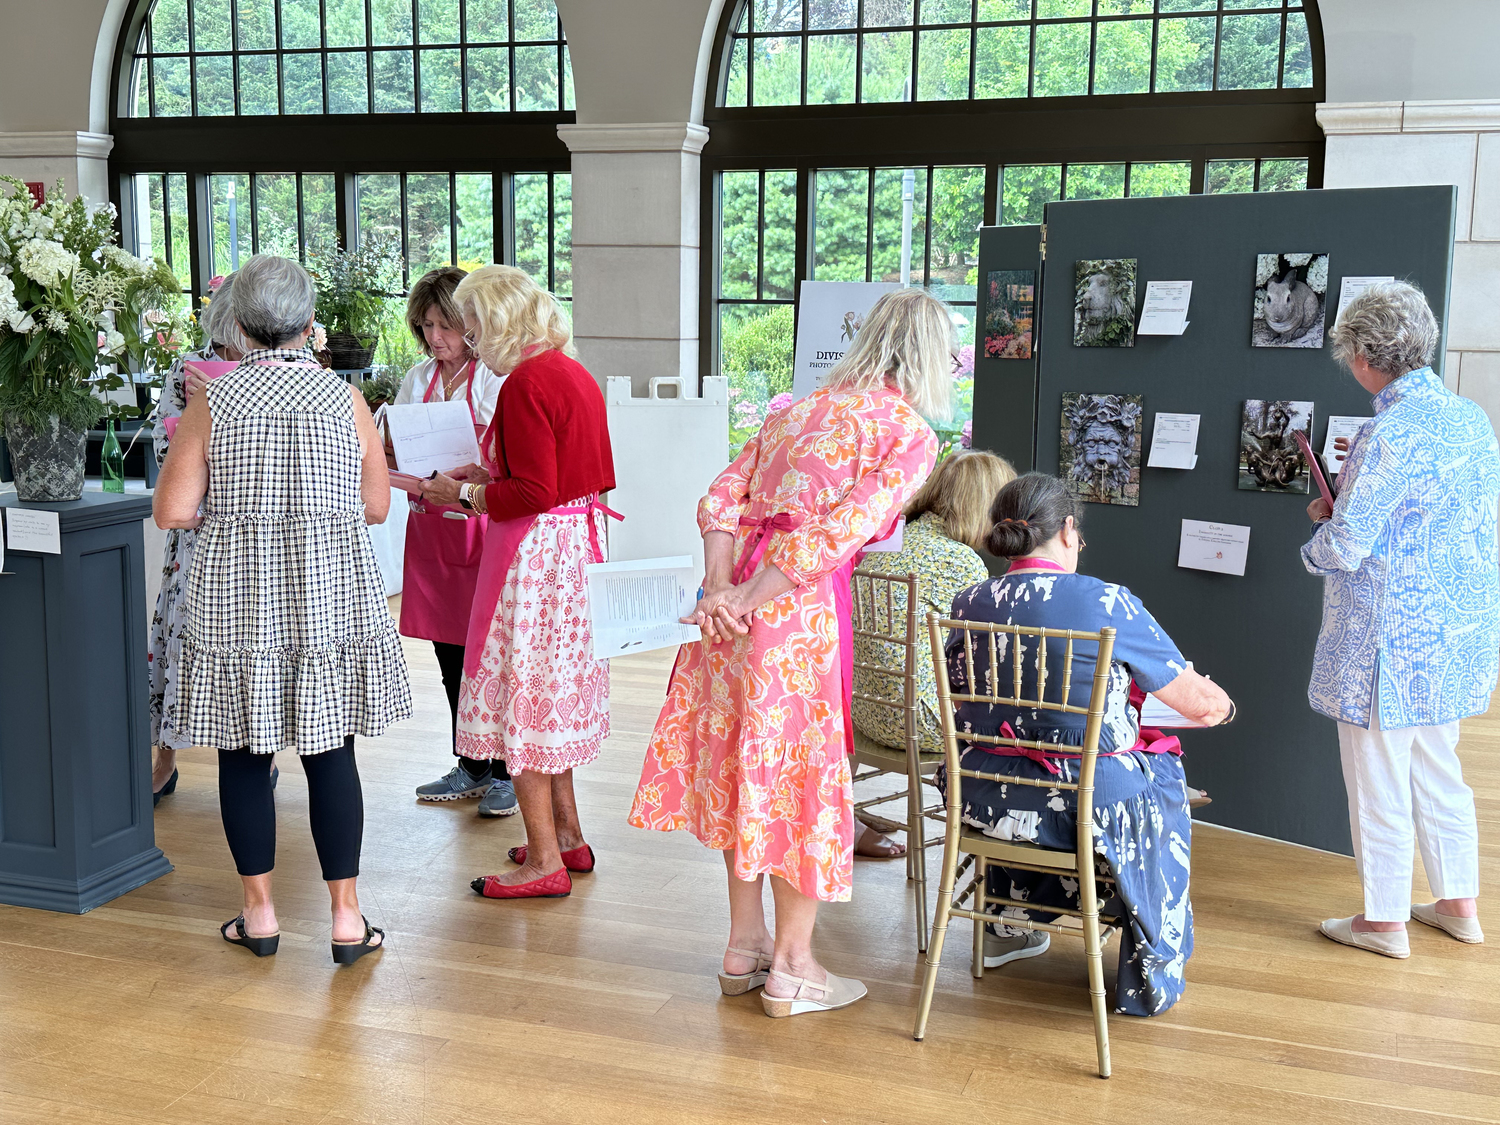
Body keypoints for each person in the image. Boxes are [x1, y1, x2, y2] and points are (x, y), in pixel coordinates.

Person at [629, 288, 946, 1018]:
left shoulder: (794, 410)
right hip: (793, 616)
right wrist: (746, 597)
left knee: (747, 768)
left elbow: (720, 498)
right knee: (799, 777)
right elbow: (837, 534)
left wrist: (720, 588)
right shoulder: (906, 431)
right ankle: (796, 967)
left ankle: (744, 947)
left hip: (736, 607)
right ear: (928, 356)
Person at [153, 254, 412, 964]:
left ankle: (260, 915)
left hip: (239, 595)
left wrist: (242, 509)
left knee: (243, 753)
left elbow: (173, 510)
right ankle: (347, 920)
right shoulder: (343, 399)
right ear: (307, 325)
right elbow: (379, 504)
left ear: (237, 324)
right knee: (332, 753)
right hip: (330, 588)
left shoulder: (217, 400)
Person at [942, 472, 1232, 1016]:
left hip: (981, 796)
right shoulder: (1106, 602)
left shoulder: (967, 601)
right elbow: (1201, 704)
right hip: (1078, 801)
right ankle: (1148, 965)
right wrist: (1224, 702)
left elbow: (962, 697)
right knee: (1160, 777)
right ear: (1069, 531)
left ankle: (1016, 917)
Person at [1305, 281, 1498, 958]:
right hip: (1455, 632)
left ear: (1363, 356)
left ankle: (1384, 919)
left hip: (1389, 641)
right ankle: (1458, 902)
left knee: (1379, 772)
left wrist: (1320, 533)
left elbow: (1350, 547)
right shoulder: (1470, 419)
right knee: (1439, 765)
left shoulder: (1387, 432)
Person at [418, 265, 615, 901]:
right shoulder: (569, 370)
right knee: (551, 696)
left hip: (534, 558)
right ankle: (566, 835)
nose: (468, 337)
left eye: (471, 322)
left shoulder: (525, 382)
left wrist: (465, 491)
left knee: (521, 700)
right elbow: (566, 475)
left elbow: (532, 492)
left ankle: (543, 864)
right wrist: (491, 470)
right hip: (574, 549)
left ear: (497, 320)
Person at [392, 267, 517, 818]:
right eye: (426, 326)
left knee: (492, 651)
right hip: (430, 526)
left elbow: (503, 457)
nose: (435, 337)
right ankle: (469, 762)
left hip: (481, 525)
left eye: (444, 325)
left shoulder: (492, 378)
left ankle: (510, 772)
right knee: (449, 652)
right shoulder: (417, 379)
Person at [849, 448, 1015, 858]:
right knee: (1020, 713)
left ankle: (839, 815)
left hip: (859, 715)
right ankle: (1002, 839)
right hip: (920, 721)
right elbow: (984, 658)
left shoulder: (884, 541)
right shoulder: (961, 562)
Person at [147, 272, 247, 806]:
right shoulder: (186, 369)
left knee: (247, 651)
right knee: (178, 644)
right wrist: (192, 415)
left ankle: (259, 754)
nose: (234, 344)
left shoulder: (271, 369)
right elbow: (166, 460)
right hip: (192, 533)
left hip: (248, 534)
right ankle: (165, 757)